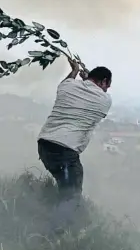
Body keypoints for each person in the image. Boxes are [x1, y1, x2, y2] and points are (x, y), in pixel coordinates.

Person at [37, 58, 112, 200]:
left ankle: (49, 210)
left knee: (64, 187)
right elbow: (96, 91)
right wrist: (88, 78)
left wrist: (75, 70)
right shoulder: (105, 100)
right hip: (65, 151)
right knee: (72, 198)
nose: (106, 90)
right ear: (103, 81)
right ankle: (65, 221)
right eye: (106, 86)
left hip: (44, 145)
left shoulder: (66, 86)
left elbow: (70, 83)